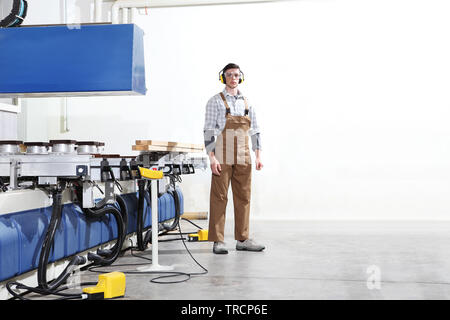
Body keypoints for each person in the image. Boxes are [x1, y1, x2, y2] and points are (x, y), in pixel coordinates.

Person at [203, 63, 265, 254]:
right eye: (229, 75)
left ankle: (243, 239)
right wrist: (212, 158)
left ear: (241, 77)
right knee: (219, 197)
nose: (233, 78)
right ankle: (218, 240)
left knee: (244, 197)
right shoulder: (215, 101)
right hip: (222, 154)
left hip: (244, 155)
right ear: (223, 77)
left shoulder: (247, 102)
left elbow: (255, 130)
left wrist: (258, 156)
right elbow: (208, 130)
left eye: (236, 75)